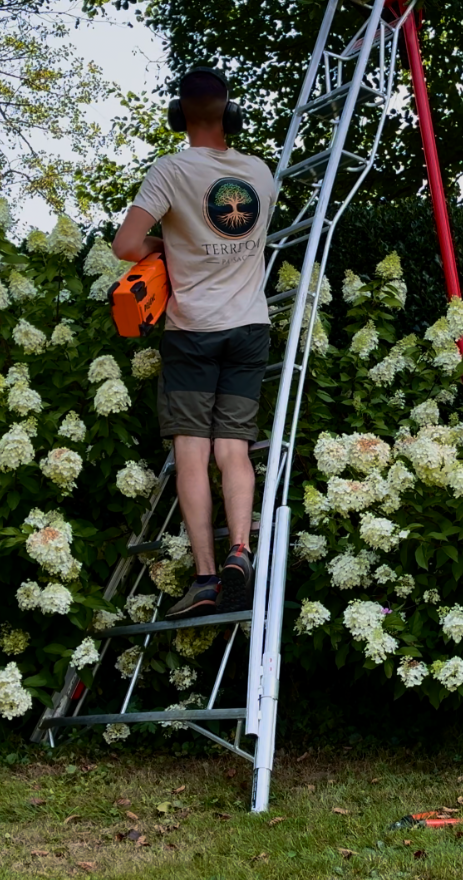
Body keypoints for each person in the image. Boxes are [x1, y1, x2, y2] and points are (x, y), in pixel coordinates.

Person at [112, 67, 277, 618]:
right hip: (249, 328)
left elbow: (126, 244)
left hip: (191, 334)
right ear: (230, 113)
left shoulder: (171, 171)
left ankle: (206, 578)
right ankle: (241, 552)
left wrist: (164, 242)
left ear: (179, 116)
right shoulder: (259, 173)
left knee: (191, 452)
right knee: (234, 449)